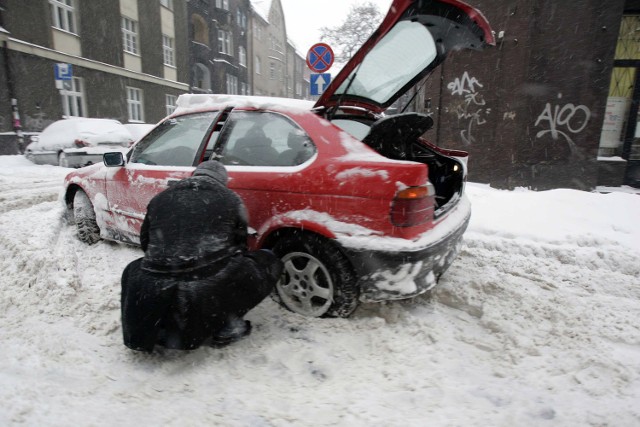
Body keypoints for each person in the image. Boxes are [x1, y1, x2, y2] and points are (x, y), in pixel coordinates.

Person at [120, 160, 283, 352]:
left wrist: (172, 257)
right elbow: (240, 247)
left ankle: (160, 322)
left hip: (152, 283)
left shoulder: (161, 198)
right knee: (264, 261)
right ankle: (227, 325)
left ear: (195, 175)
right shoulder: (231, 199)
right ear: (222, 180)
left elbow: (146, 242)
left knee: (134, 268)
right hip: (203, 287)